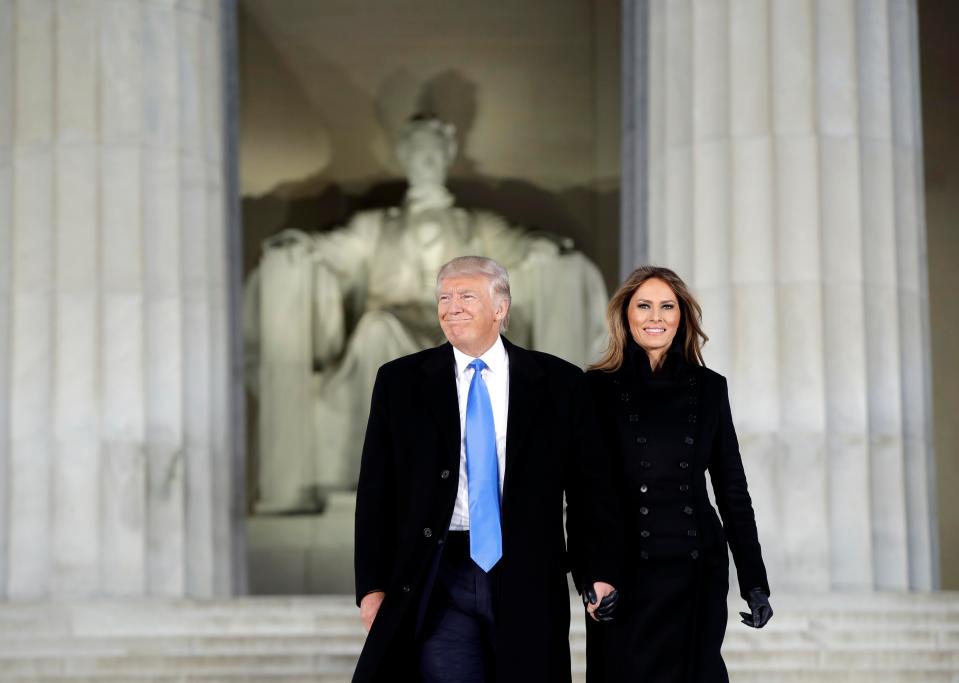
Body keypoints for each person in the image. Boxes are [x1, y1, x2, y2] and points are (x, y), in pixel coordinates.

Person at [243, 115, 608, 512]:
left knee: (474, 337)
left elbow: (520, 245)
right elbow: (331, 249)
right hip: (392, 329)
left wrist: (544, 245)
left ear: (448, 155)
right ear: (404, 157)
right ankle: (391, 467)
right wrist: (299, 245)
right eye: (417, 150)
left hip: (459, 333)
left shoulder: (477, 225)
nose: (425, 159)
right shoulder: (375, 226)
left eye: (434, 150)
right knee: (375, 328)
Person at [353, 256, 621, 683]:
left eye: (466, 295)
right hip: (439, 572)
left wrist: (599, 571)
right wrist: (371, 587)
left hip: (528, 572)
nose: (451, 306)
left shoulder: (560, 382)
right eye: (444, 296)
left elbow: (590, 491)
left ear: (501, 308)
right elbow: (375, 492)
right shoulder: (399, 382)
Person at [583, 266, 772, 682]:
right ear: (625, 315)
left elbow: (732, 489)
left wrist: (754, 581)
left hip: (696, 569)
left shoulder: (708, 388)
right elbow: (585, 493)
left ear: (681, 316)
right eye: (644, 306)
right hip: (623, 571)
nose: (656, 317)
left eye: (667, 306)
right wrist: (591, 576)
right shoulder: (595, 388)